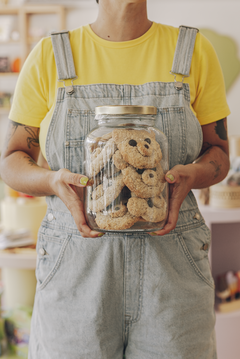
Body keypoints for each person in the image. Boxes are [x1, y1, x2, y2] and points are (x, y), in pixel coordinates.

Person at [0, 0, 230, 358]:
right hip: (75, 273)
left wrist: (193, 174)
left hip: (172, 273)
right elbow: (12, 160)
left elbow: (219, 153)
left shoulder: (193, 51)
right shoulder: (50, 55)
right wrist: (52, 181)